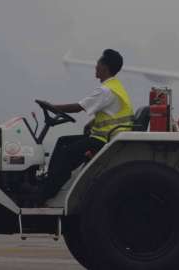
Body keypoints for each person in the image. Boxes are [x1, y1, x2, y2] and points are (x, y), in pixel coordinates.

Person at [36, 49, 134, 201]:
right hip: (105, 137)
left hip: (104, 140)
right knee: (63, 141)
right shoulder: (115, 87)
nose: (95, 67)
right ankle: (48, 181)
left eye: (98, 64)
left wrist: (52, 106)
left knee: (67, 153)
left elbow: (78, 107)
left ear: (105, 68)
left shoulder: (106, 90)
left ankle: (46, 193)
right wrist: (92, 122)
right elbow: (110, 113)